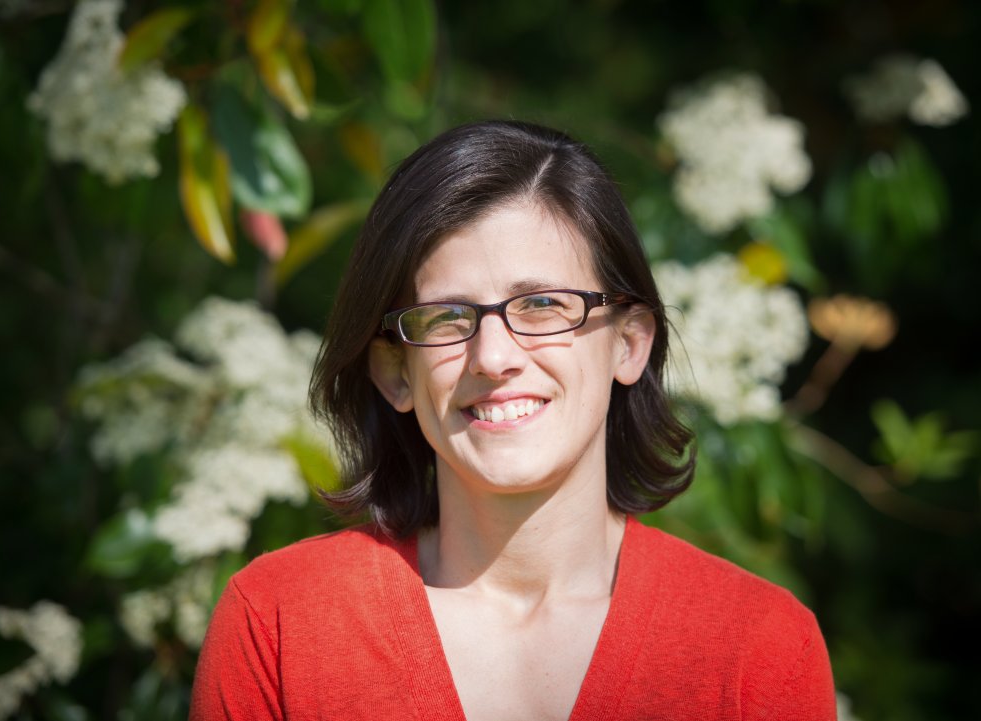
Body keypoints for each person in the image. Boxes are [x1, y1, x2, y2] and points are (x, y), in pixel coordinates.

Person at [189, 120, 836, 720]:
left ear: (629, 343)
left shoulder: (757, 649)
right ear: (393, 371)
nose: (494, 356)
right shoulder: (279, 623)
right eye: (445, 317)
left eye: (544, 304)